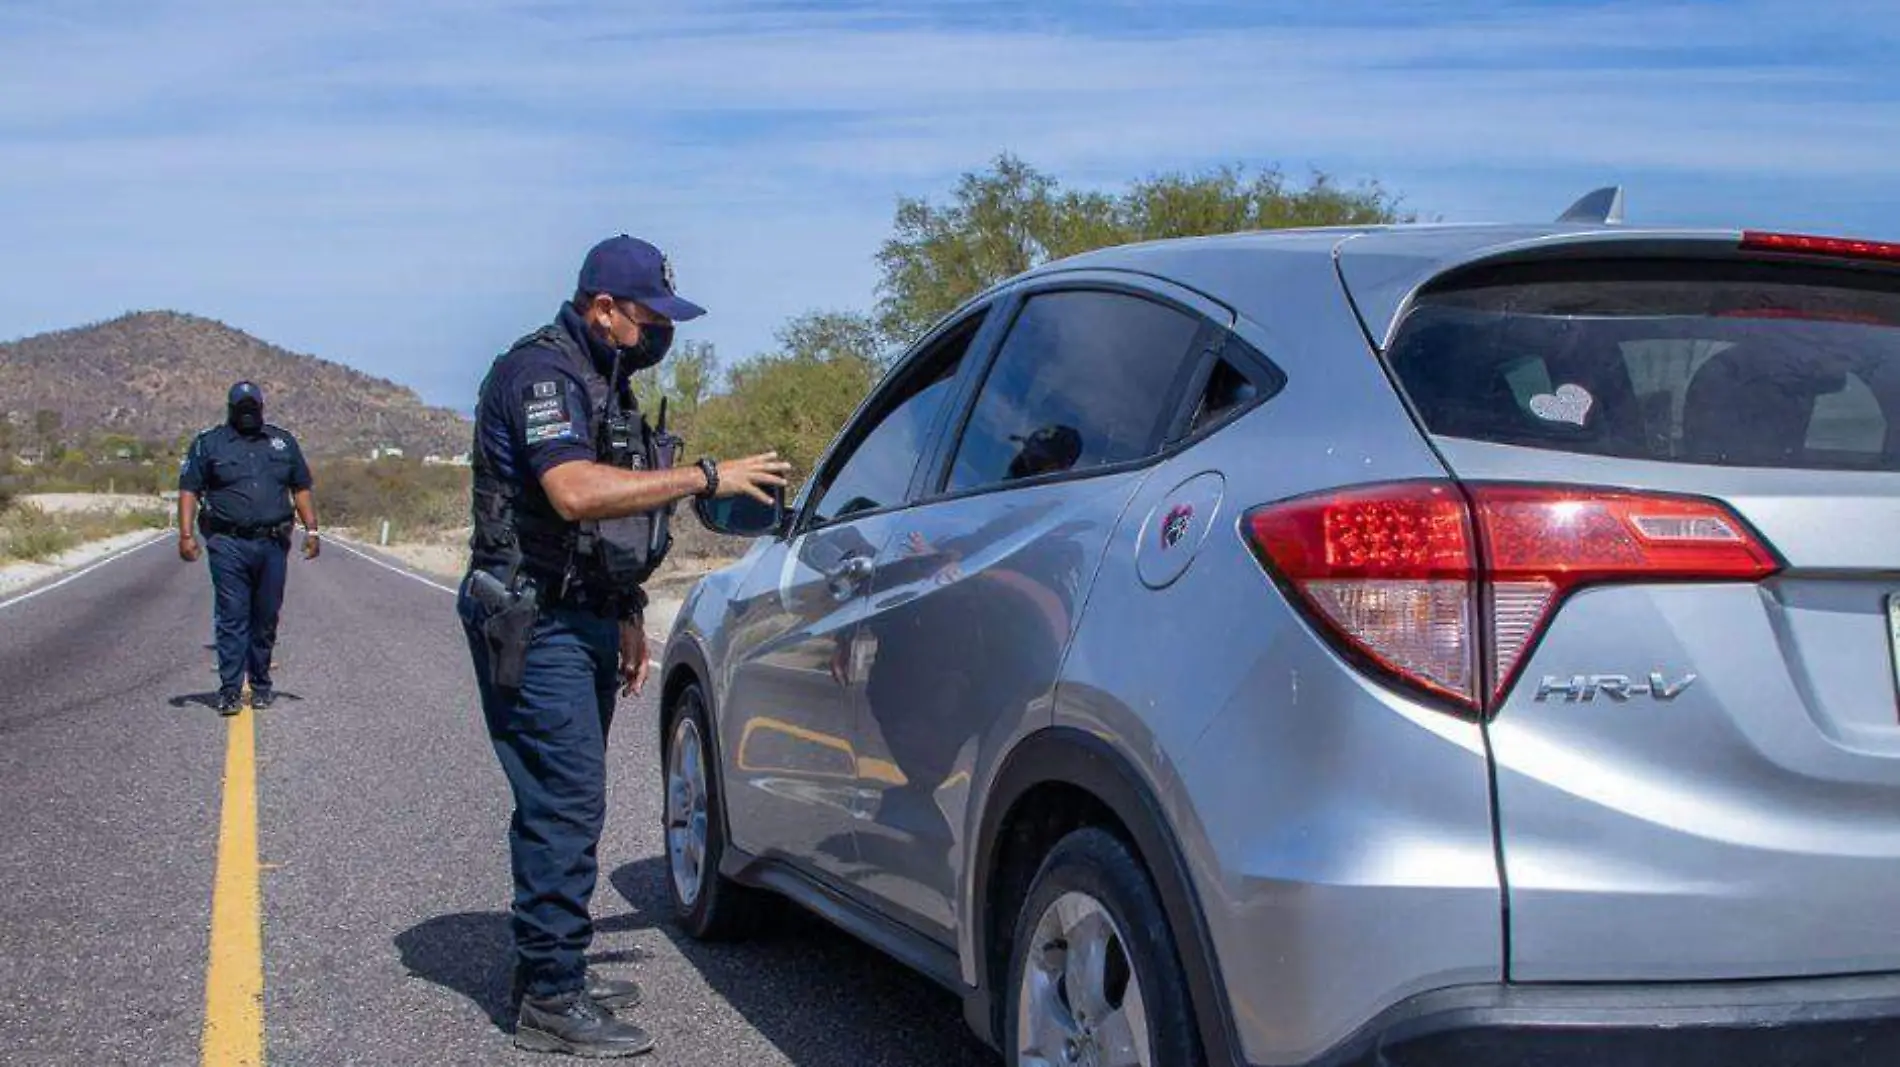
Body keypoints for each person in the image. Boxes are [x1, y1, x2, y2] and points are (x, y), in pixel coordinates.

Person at [459, 234, 789, 1058]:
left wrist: (627, 608)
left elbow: (607, 527)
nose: (657, 334)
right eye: (647, 317)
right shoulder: (541, 375)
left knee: (570, 797)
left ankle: (551, 962)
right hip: (532, 619)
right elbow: (573, 492)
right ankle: (550, 995)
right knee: (563, 801)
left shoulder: (600, 381)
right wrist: (704, 478)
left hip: (581, 613)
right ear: (602, 307)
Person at [177, 381, 321, 715]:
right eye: (240, 408)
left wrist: (312, 530)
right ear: (230, 408)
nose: (246, 413)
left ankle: (260, 684)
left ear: (261, 408)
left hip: (272, 543)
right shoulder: (209, 444)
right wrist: (186, 535)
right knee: (232, 616)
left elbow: (300, 487)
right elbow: (189, 489)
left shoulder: (282, 442)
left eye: (251, 407)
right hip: (227, 543)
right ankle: (229, 689)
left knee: (265, 616)